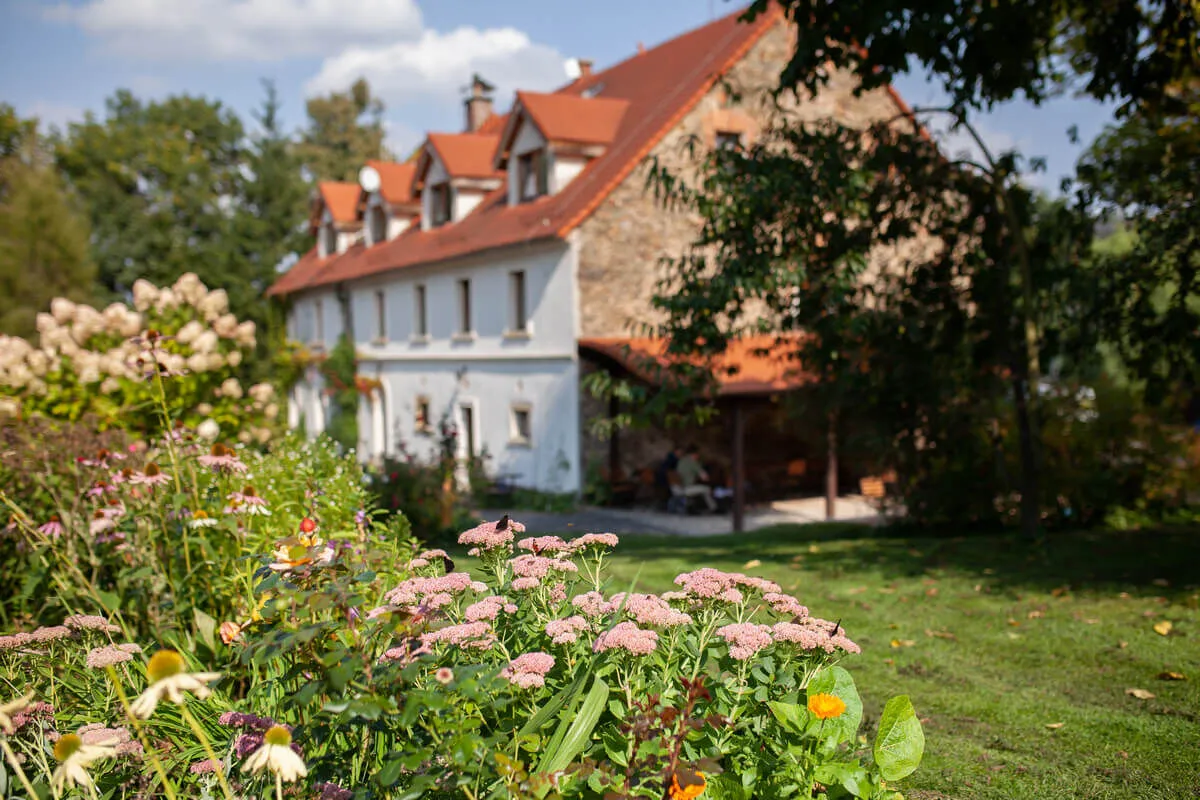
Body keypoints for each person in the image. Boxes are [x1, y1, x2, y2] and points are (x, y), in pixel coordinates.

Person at [675, 445, 717, 512]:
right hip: (687, 488)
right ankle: (713, 508)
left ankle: (693, 505)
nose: (698, 457)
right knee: (707, 489)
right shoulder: (694, 463)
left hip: (677, 488)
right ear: (695, 454)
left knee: (700, 488)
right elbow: (704, 477)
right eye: (698, 455)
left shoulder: (681, 461)